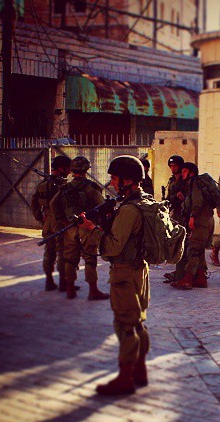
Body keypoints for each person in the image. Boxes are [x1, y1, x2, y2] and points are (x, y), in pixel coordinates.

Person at [78, 156, 151, 396]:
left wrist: (93, 230)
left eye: (114, 177)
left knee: (125, 325)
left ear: (127, 180)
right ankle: (139, 370)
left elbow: (111, 247)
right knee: (137, 321)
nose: (112, 181)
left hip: (124, 273)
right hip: (139, 270)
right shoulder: (141, 201)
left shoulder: (129, 210)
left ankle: (125, 378)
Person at [49, 155, 109, 301]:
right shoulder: (91, 187)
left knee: (70, 259)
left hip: (70, 228)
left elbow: (53, 204)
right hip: (87, 228)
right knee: (90, 259)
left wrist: (62, 220)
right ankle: (93, 291)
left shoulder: (66, 187)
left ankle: (70, 290)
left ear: (72, 170)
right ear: (86, 169)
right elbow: (102, 206)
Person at [171, 162, 217, 290]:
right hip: (207, 219)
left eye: (185, 171)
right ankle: (201, 278)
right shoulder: (197, 184)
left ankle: (187, 279)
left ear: (191, 172)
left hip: (200, 220)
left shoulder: (194, 182)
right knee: (200, 250)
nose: (182, 173)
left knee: (194, 249)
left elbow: (197, 202)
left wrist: (192, 217)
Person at [31, 155, 71, 291]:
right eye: (68, 168)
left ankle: (49, 281)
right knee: (62, 252)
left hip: (47, 221)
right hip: (59, 222)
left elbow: (34, 203)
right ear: (61, 168)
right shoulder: (62, 185)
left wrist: (40, 218)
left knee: (49, 252)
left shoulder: (42, 185)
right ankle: (63, 283)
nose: (70, 171)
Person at [163, 155, 187, 283]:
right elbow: (169, 197)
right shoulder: (172, 180)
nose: (173, 168)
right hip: (176, 214)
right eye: (171, 166)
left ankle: (183, 274)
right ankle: (179, 271)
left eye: (175, 166)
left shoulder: (185, 180)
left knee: (185, 243)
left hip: (185, 214)